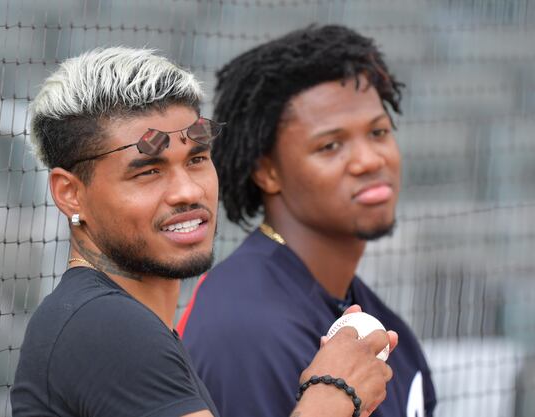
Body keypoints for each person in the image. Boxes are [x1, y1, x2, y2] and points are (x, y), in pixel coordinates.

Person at [11, 46, 396, 417]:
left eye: (197, 159)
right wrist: (335, 390)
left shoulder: (119, 321)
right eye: (148, 171)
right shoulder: (105, 326)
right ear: (70, 193)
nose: (189, 191)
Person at [178, 25, 437, 417]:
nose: (370, 159)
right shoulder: (245, 330)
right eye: (330, 145)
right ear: (267, 172)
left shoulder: (377, 316)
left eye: (379, 132)